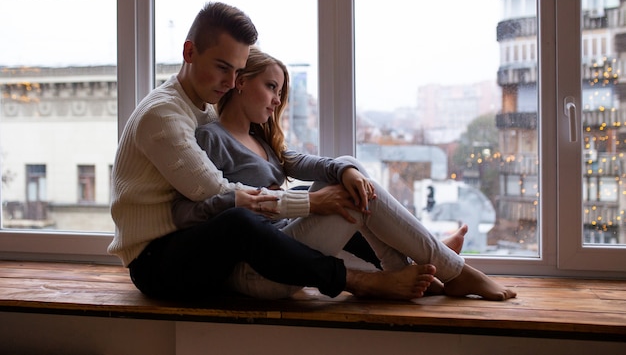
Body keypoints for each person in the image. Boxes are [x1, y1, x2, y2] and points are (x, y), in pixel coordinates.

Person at [108, 1, 437, 302]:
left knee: (330, 190)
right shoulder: (163, 115)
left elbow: (280, 159)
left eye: (237, 71)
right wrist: (309, 203)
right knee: (240, 220)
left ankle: (416, 258)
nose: (230, 81)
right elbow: (219, 193)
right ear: (189, 52)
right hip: (157, 262)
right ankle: (358, 281)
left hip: (197, 242)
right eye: (222, 67)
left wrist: (332, 177)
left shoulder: (203, 106)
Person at [172, 46, 517, 301]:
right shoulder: (211, 138)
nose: (277, 100)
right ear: (241, 83)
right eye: (271, 87)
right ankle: (453, 269)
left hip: (293, 256)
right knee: (348, 197)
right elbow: (194, 212)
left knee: (348, 181)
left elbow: (318, 164)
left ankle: (428, 267)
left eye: (280, 91)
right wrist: (320, 193)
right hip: (260, 269)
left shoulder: (263, 141)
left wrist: (349, 168)